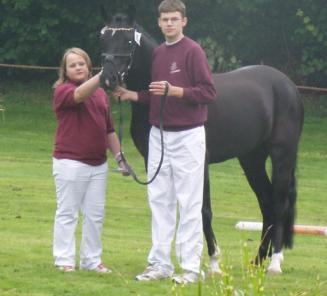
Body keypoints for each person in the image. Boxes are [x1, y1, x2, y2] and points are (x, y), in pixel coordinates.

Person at [114, 0, 216, 284]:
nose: (169, 24)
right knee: (159, 200)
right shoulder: (158, 53)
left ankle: (191, 269)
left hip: (188, 134)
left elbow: (208, 92)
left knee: (189, 201)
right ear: (158, 23)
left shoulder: (193, 51)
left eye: (174, 19)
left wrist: (177, 91)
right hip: (158, 133)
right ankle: (160, 264)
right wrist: (132, 95)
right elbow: (156, 94)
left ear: (184, 21)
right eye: (164, 20)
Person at [52, 47, 128, 273]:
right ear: (65, 71)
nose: (78, 67)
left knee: (95, 215)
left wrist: (119, 158)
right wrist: (102, 75)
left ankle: (91, 260)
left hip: (98, 164)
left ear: (88, 65)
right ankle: (64, 260)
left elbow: (109, 130)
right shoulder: (62, 90)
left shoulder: (101, 95)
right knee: (68, 212)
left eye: (81, 63)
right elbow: (79, 95)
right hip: (70, 162)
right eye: (72, 65)